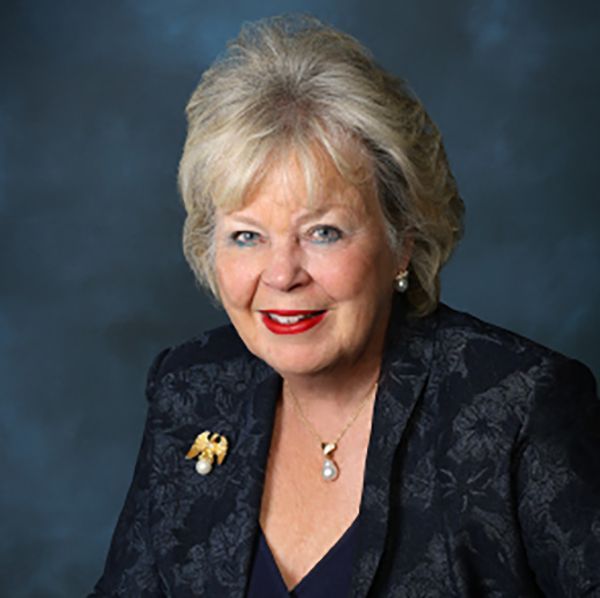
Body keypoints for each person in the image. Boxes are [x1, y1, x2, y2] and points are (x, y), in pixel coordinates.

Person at [90, 15, 600, 598]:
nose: (282, 275)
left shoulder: (517, 407)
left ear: (402, 238)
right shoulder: (191, 391)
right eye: (247, 236)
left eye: (324, 232)